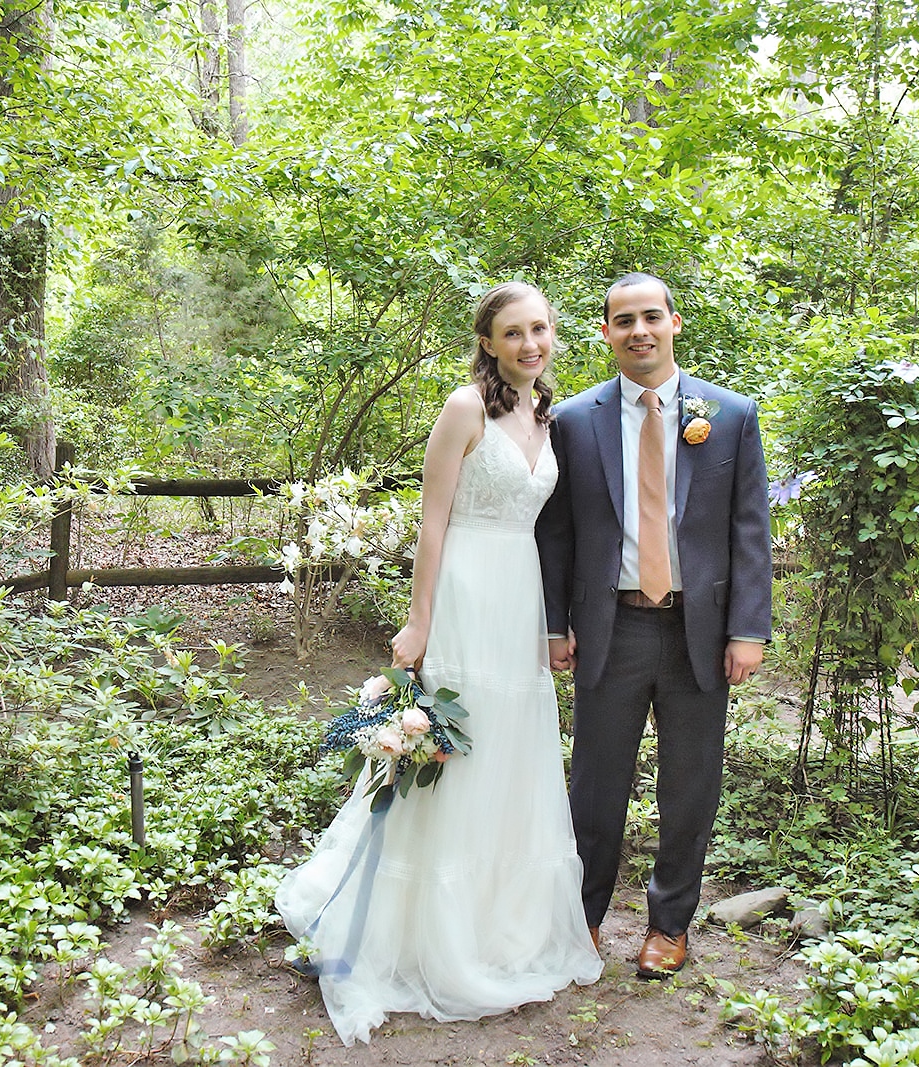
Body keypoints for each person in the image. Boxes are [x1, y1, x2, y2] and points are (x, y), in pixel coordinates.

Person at [276, 282, 603, 1046]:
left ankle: (501, 925)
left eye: (540, 329)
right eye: (513, 332)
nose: (530, 344)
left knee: (511, 756)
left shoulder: (549, 416)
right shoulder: (465, 408)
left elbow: (553, 532)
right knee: (454, 753)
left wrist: (555, 622)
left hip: (519, 600)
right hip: (461, 593)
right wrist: (420, 620)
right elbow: (432, 521)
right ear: (487, 341)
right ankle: (417, 931)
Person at [535, 272, 771, 979]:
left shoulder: (728, 414)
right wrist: (553, 624)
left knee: (690, 784)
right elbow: (558, 534)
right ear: (605, 332)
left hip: (699, 630)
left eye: (650, 317)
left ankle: (670, 924)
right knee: (596, 783)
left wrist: (748, 629)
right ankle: (583, 917)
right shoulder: (575, 420)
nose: (638, 330)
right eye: (622, 320)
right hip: (613, 625)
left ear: (673, 322)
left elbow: (750, 529)